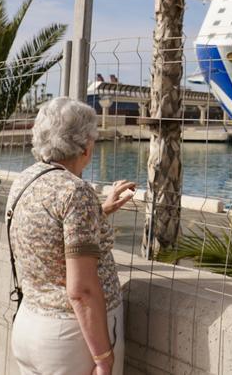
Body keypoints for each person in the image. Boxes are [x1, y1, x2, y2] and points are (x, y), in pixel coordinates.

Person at [8, 97, 137, 375]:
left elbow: (49, 235)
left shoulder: (24, 180)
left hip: (30, 324)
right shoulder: (75, 192)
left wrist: (99, 210)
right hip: (72, 338)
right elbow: (82, 291)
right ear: (86, 147)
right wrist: (103, 357)